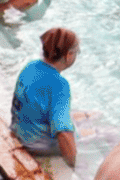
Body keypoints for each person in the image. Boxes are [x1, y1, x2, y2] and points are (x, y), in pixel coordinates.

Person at [10, 27, 79, 166]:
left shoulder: (31, 67)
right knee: (106, 133)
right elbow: (64, 133)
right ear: (69, 55)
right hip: (37, 148)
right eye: (78, 52)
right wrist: (73, 166)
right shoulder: (59, 85)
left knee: (86, 116)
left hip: (19, 134)